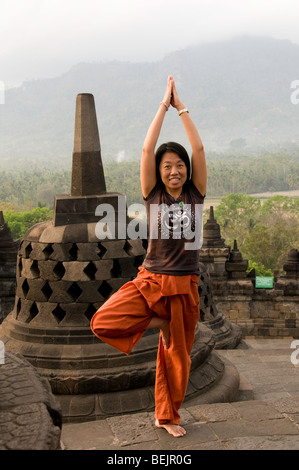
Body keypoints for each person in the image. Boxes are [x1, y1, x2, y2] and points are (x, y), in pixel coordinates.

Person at [91, 76, 207, 437]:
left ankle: (167, 415)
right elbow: (146, 151)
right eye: (168, 166)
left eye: (179, 165)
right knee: (103, 321)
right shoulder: (152, 195)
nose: (175, 171)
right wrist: (162, 106)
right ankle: (159, 323)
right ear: (159, 172)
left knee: (177, 359)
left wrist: (182, 108)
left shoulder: (195, 195)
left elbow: (199, 150)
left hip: (185, 284)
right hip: (152, 279)